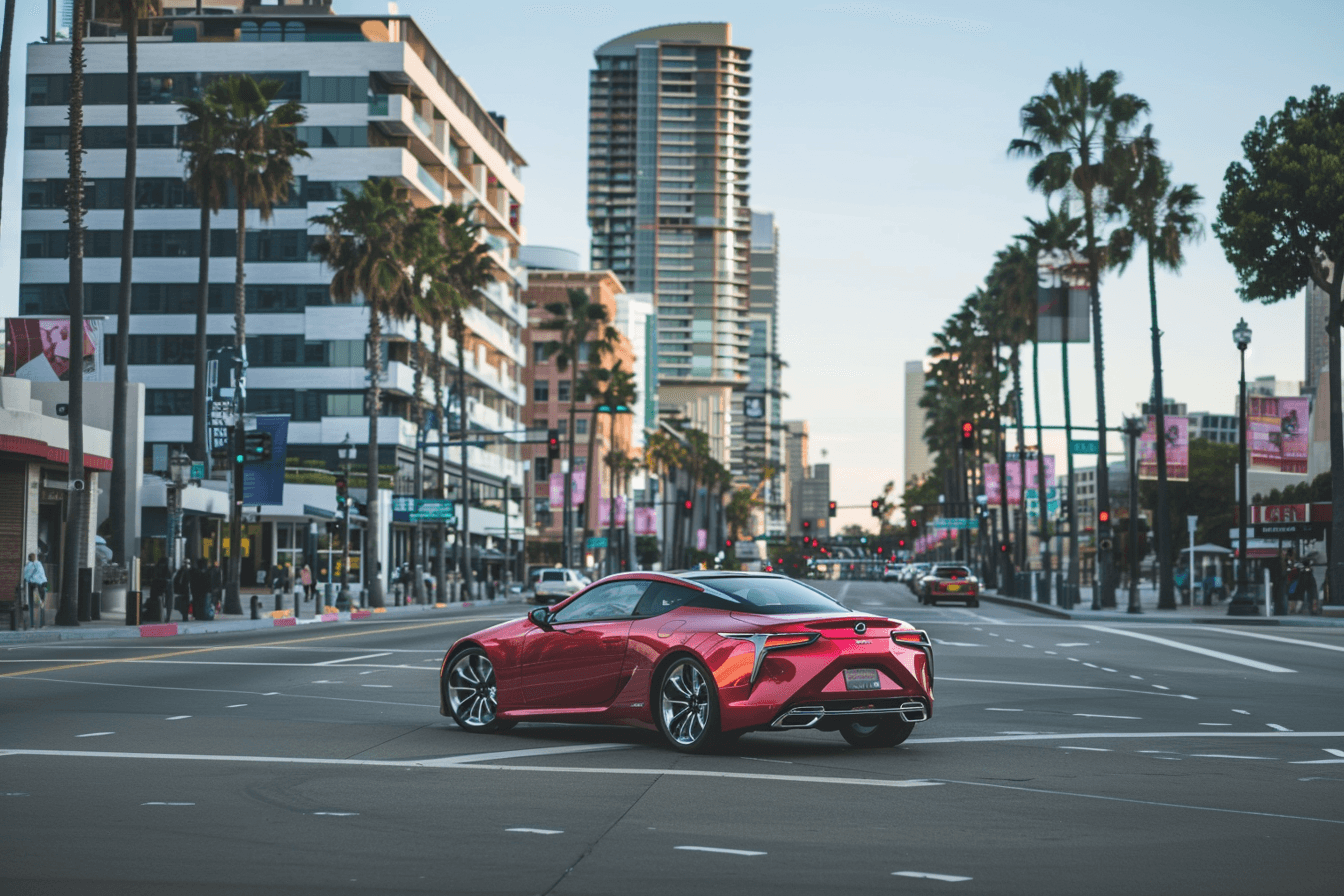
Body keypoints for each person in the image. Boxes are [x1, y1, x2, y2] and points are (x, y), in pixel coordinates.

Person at [22, 553, 47, 629]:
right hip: (40, 585)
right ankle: (41, 623)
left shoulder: (27, 566)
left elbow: (25, 576)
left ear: (29, 558)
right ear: (35, 557)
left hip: (31, 585)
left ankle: (32, 624)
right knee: (41, 604)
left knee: (31, 604)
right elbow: (42, 575)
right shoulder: (39, 564)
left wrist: (30, 579)